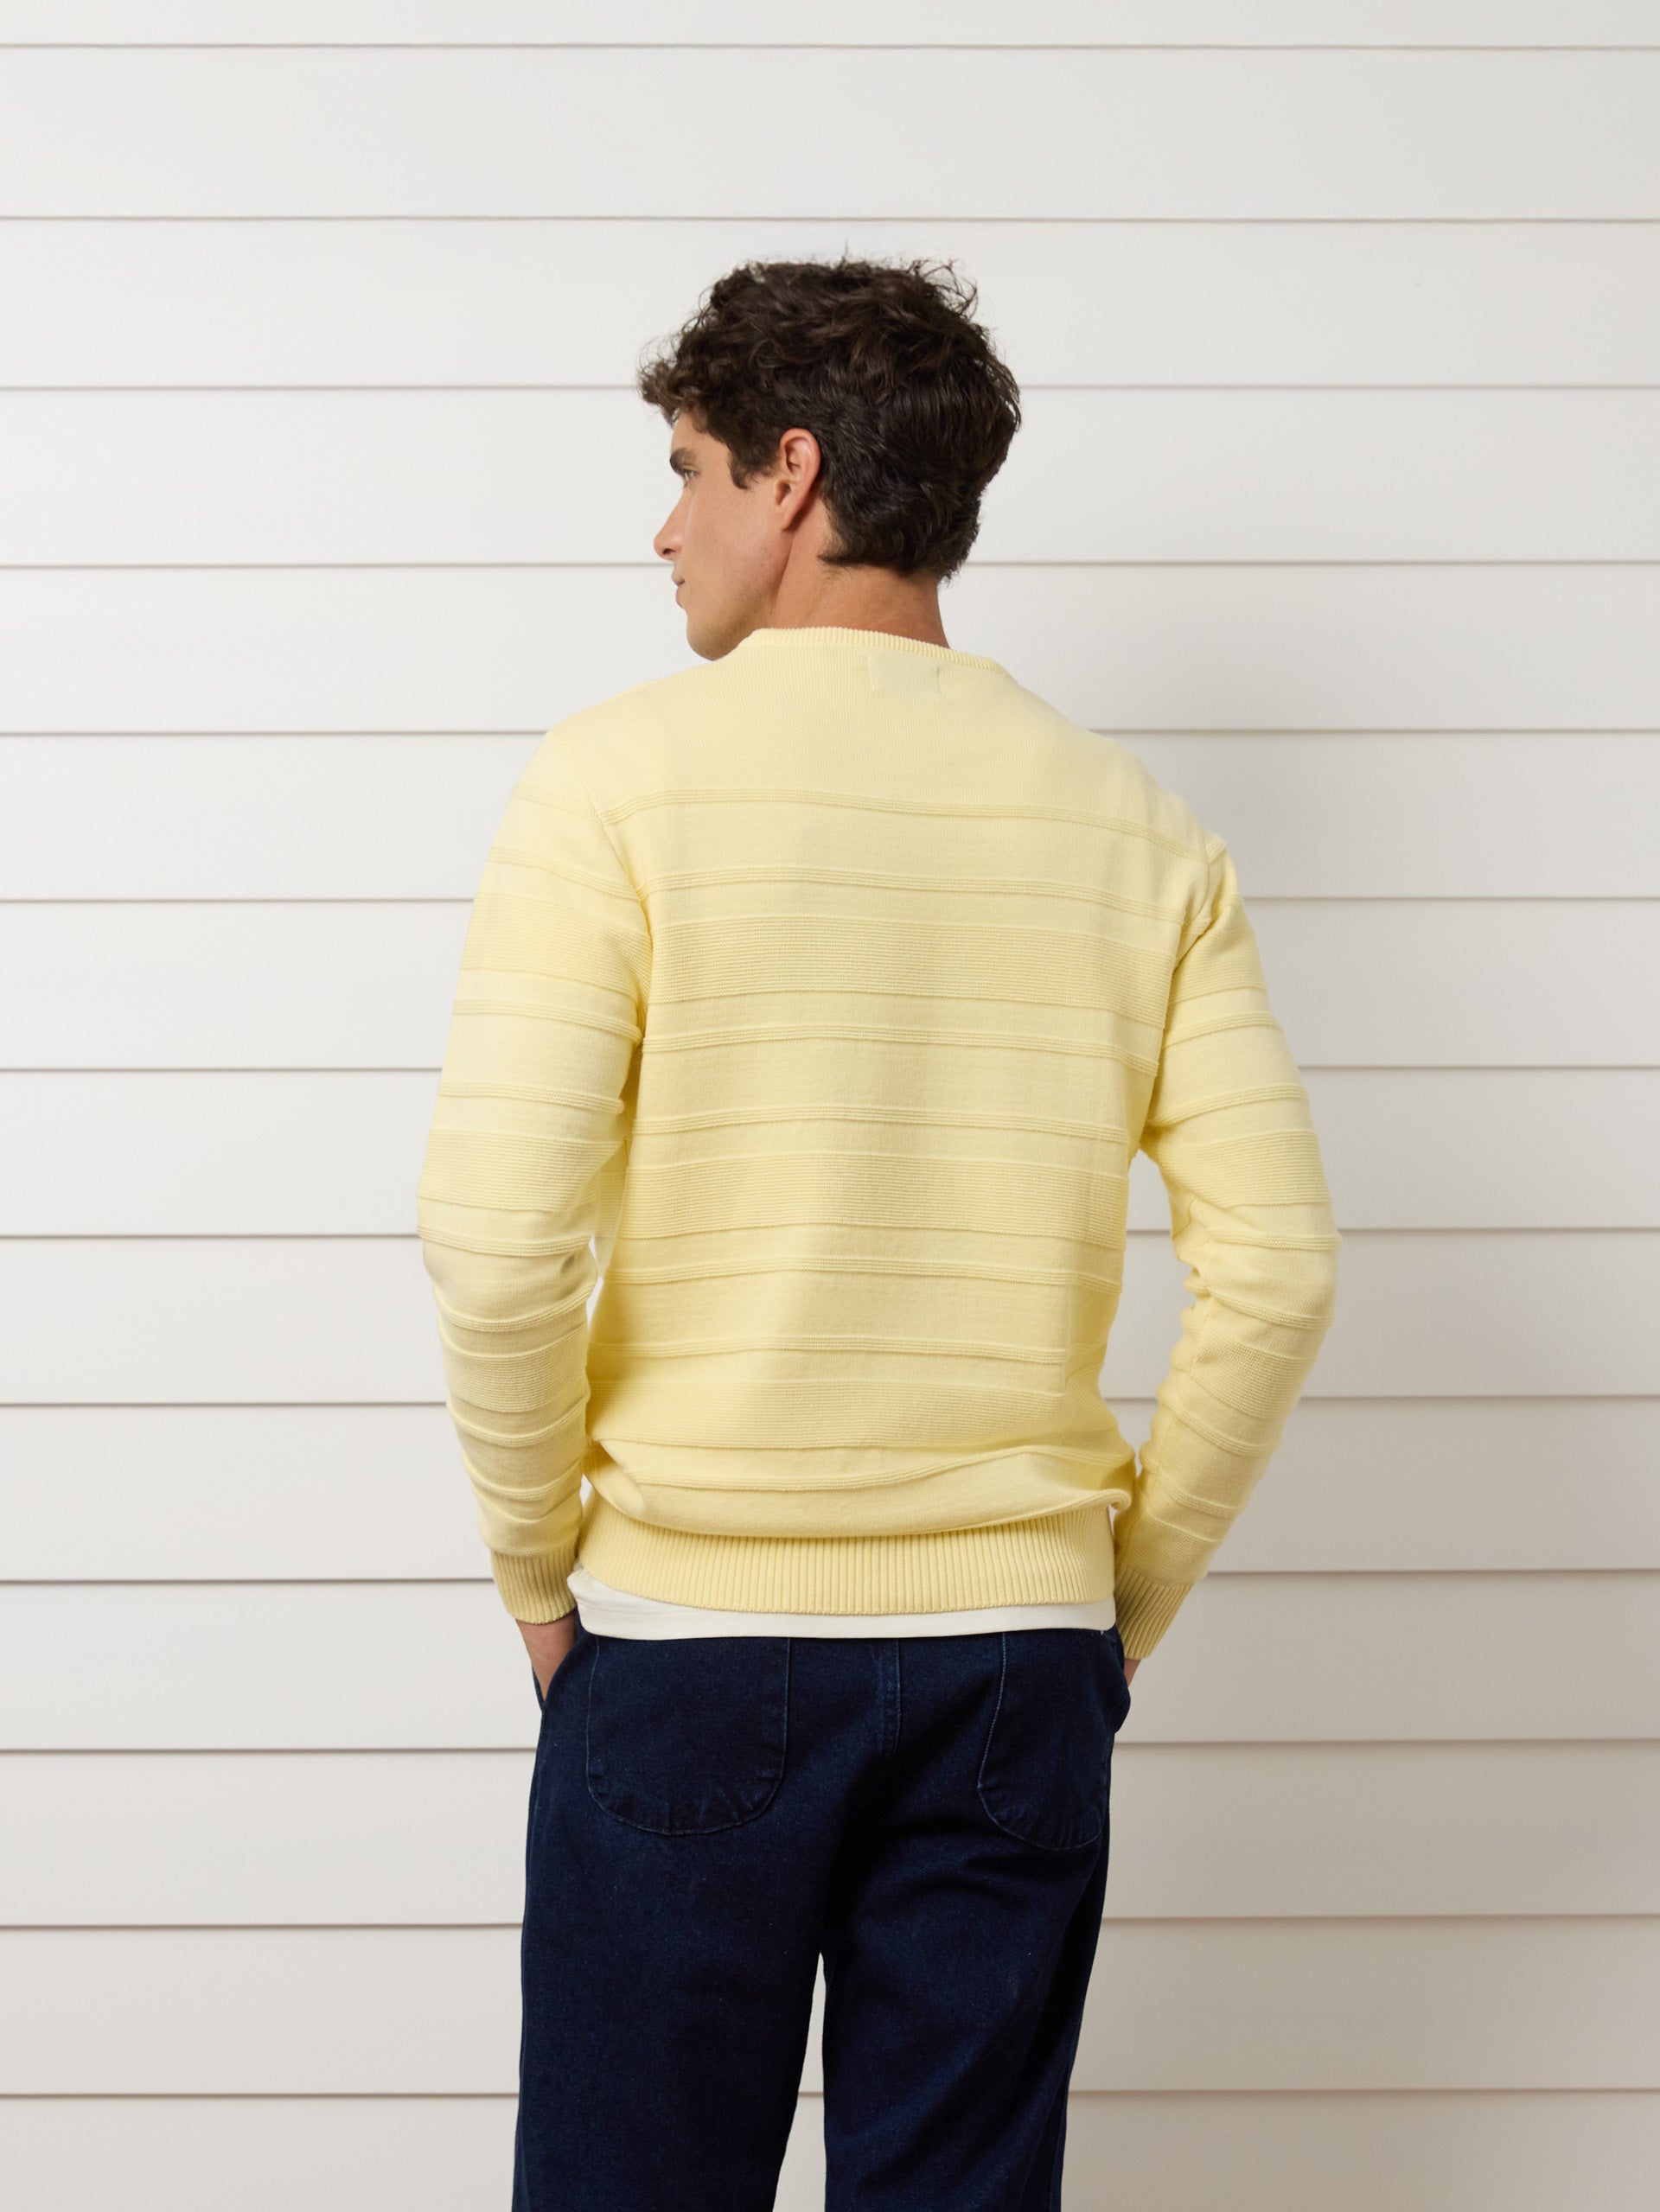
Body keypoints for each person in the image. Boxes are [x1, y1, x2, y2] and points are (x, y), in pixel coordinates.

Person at [417, 255, 1340, 2211]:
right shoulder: (1138, 831)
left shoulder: (613, 784)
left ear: (793, 474)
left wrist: (535, 1572)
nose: (665, 528)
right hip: (1015, 1666)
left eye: (687, 470)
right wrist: (1104, 1604)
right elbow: (1278, 1267)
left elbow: (498, 1240)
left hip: (686, 1642)